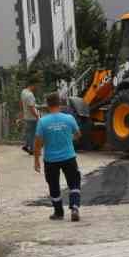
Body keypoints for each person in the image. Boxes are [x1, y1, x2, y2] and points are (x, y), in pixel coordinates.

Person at [33, 92, 83, 222]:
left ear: (48, 105)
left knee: (54, 186)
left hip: (51, 160)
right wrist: (69, 139)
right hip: (69, 157)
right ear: (59, 103)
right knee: (74, 183)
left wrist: (36, 160)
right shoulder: (69, 119)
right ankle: (75, 208)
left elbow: (38, 143)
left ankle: (58, 212)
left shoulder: (42, 122)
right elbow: (78, 134)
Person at [19, 80, 42, 154]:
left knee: (29, 133)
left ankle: (26, 145)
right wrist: (38, 117)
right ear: (32, 85)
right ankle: (32, 150)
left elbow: (24, 104)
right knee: (33, 134)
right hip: (32, 118)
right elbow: (31, 108)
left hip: (27, 116)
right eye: (36, 85)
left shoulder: (23, 92)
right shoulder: (30, 95)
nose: (37, 87)